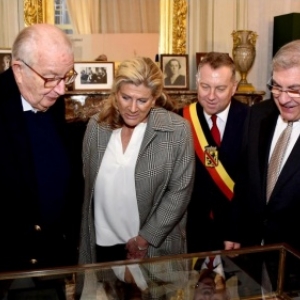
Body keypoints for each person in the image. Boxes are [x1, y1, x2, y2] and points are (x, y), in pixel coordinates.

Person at [79, 56, 195, 265]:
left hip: (152, 247)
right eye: (126, 97)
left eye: (142, 100)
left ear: (155, 98)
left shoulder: (177, 130)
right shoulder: (96, 127)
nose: (132, 108)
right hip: (102, 246)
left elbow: (180, 192)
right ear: (116, 94)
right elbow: (88, 183)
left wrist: (145, 238)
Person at [0, 23, 84, 272]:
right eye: (50, 78)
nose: (61, 89)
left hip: (52, 264)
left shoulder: (48, 97)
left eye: (66, 76)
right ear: (18, 70)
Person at [224, 40, 300, 290]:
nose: (284, 98)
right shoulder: (258, 115)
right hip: (252, 254)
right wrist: (234, 230)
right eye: (276, 87)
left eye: (295, 89)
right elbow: (244, 180)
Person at [182, 52, 249, 253]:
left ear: (234, 88)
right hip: (190, 231)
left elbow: (251, 184)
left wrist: (236, 229)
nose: (211, 96)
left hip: (234, 232)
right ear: (197, 83)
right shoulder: (181, 119)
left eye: (220, 88)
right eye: (205, 87)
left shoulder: (251, 120)